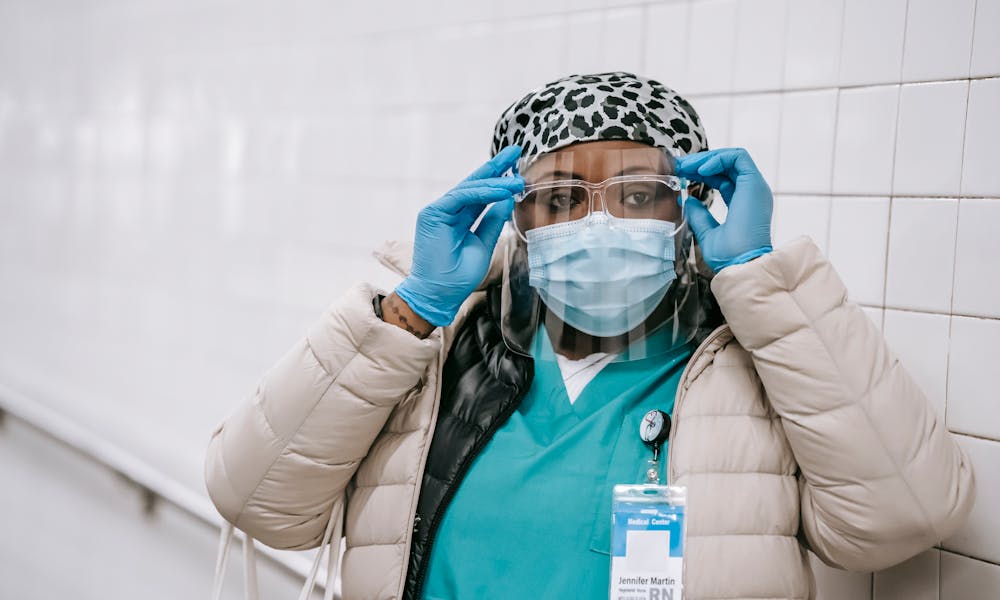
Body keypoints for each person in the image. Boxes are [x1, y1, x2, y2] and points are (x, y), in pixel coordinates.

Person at [204, 72, 975, 600]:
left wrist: (763, 283)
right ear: (514, 214)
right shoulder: (440, 354)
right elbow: (255, 499)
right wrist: (409, 312)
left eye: (638, 194)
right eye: (561, 197)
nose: (600, 223)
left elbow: (905, 517)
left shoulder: (752, 358)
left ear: (687, 207)